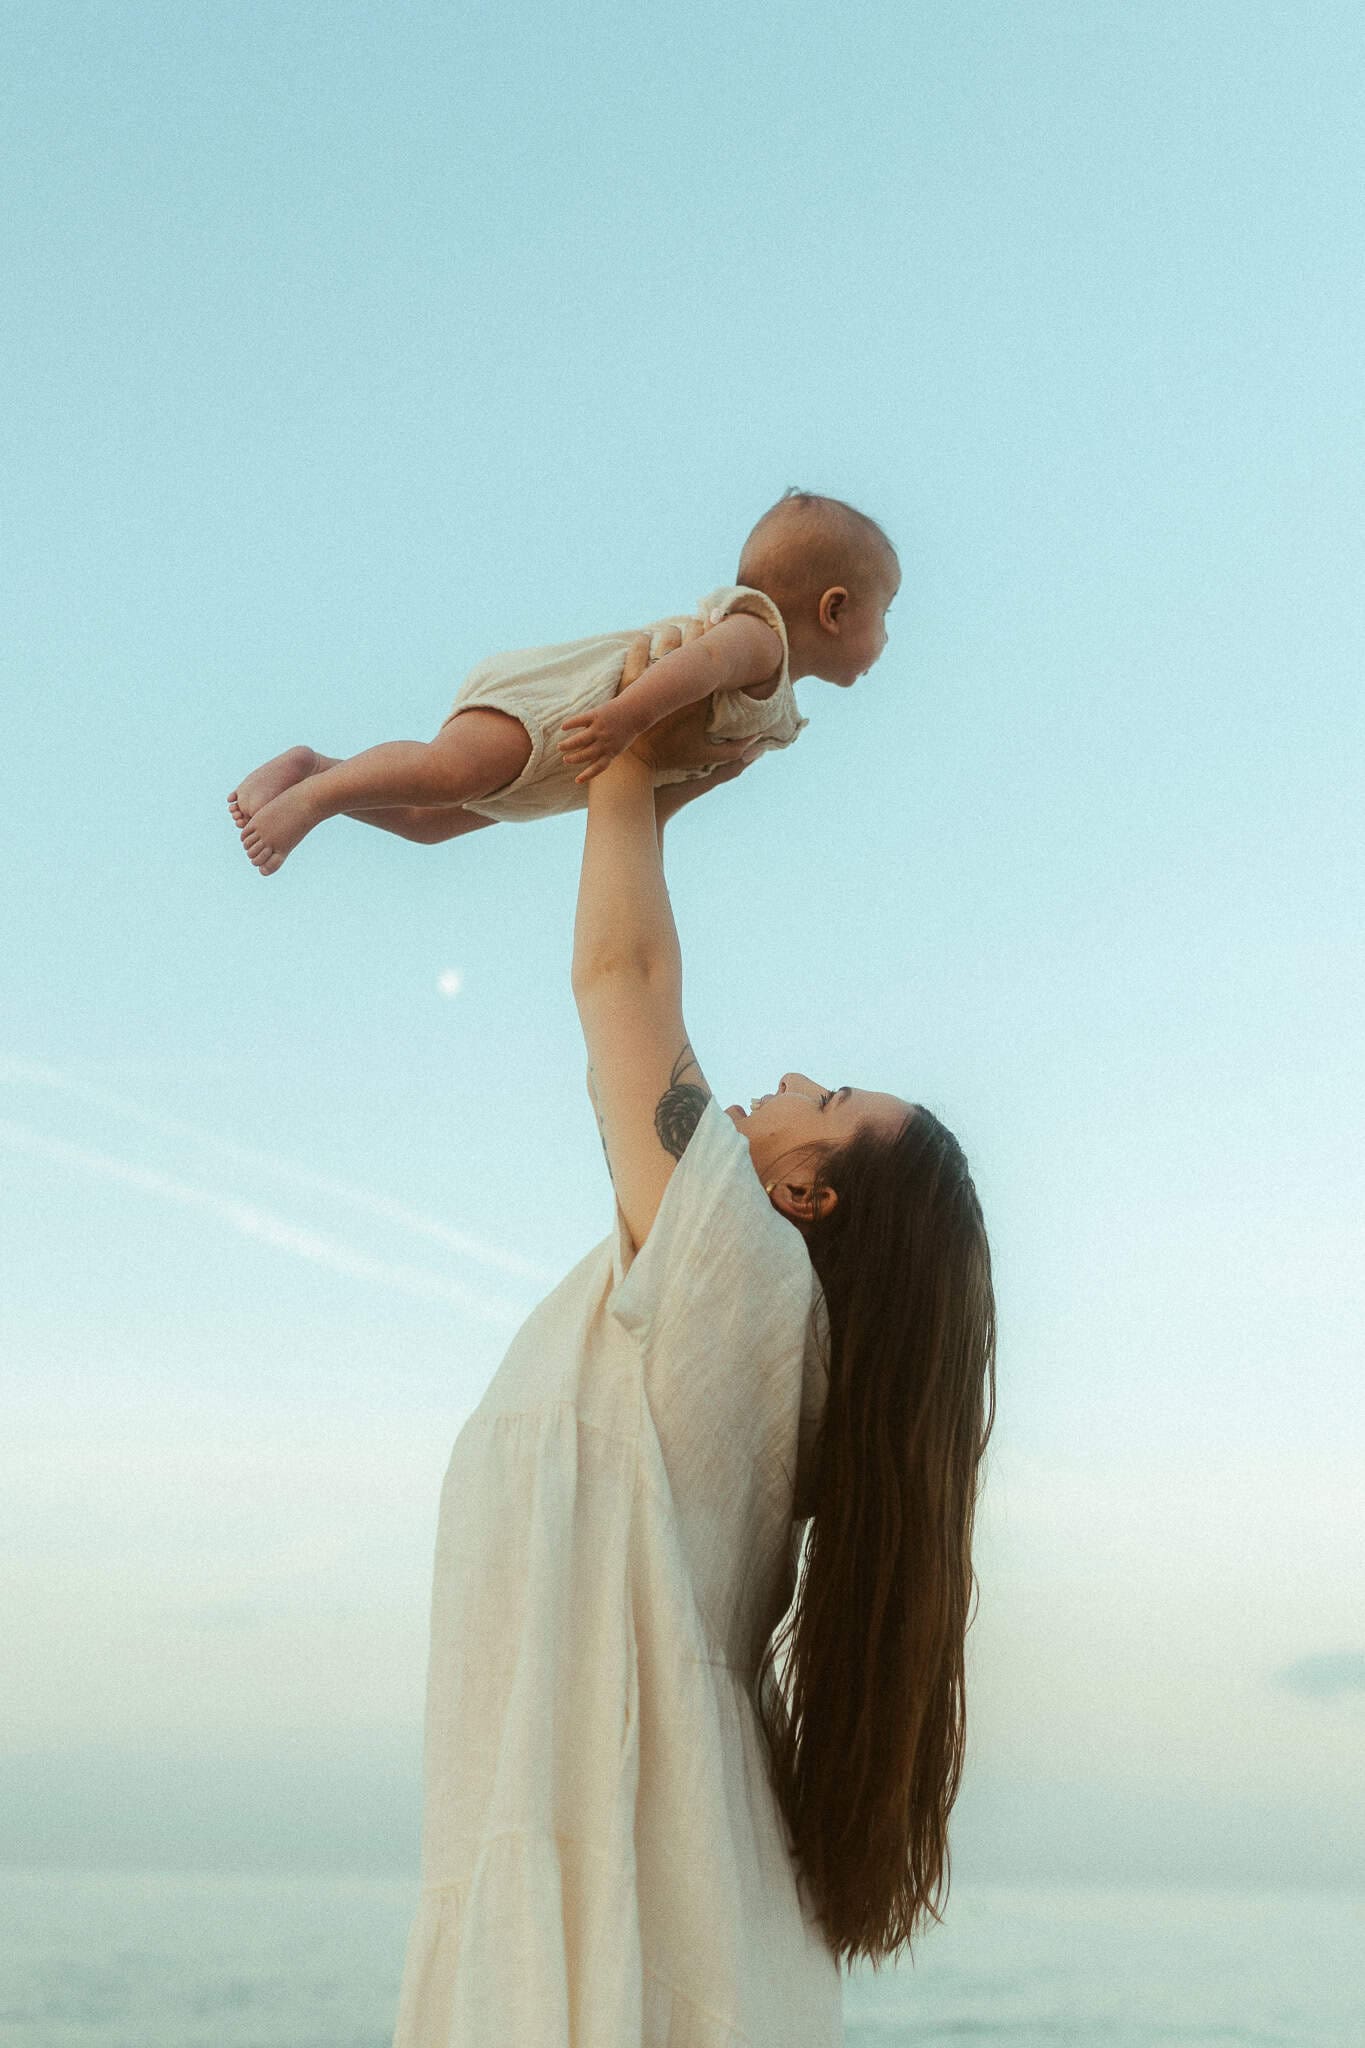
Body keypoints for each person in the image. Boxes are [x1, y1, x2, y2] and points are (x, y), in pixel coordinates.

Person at [389, 654, 997, 2044]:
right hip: (649, 1871)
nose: (783, 1082)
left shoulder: (749, 1288)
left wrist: (619, 763)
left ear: (808, 1198)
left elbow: (622, 980)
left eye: (824, 1099)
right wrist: (640, 803)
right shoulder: (747, 1328)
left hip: (631, 1879)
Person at [228, 489, 900, 874]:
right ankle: (314, 796)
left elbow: (688, 777)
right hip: (567, 711)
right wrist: (625, 719)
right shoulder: (760, 640)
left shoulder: (778, 717)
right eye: (885, 613)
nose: (888, 637)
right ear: (834, 609)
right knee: (444, 772)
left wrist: (650, 831)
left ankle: (315, 770)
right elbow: (700, 665)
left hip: (570, 771)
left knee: (425, 823)